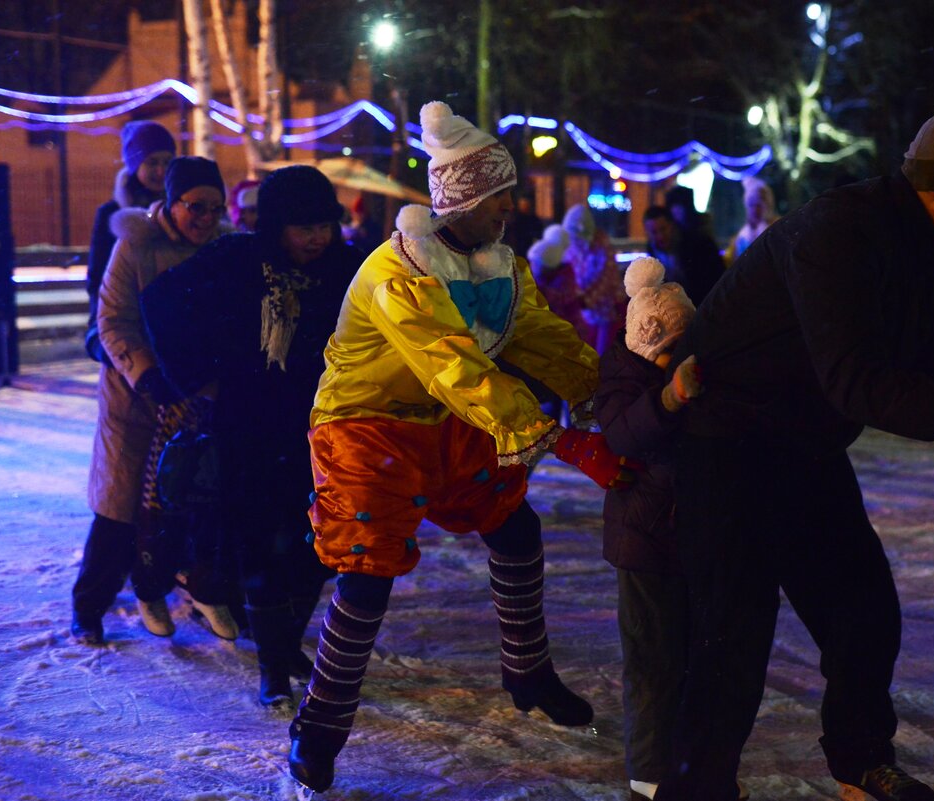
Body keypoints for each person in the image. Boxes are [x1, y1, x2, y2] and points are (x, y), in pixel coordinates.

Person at [654, 109, 934, 801]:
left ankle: (860, 764)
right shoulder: (837, 233)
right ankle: (697, 789)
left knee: (865, 613)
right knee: (732, 637)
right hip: (729, 448)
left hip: (805, 447)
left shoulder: (922, 243)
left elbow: (928, 364)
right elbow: (855, 381)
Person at [286, 101, 632, 793]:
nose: (510, 207)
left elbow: (540, 336)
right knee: (368, 570)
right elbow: (451, 362)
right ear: (464, 200)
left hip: (449, 417)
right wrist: (558, 439)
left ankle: (528, 672)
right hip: (366, 422)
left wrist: (608, 397)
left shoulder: (496, 264)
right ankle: (319, 724)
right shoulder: (400, 270)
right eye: (499, 196)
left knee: (514, 527)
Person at [142, 165, 363, 707]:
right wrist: (198, 377)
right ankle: (272, 666)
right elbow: (161, 300)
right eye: (303, 227)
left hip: (323, 429)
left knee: (318, 546)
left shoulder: (347, 267)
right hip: (249, 426)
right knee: (258, 545)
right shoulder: (238, 258)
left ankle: (285, 645)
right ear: (277, 225)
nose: (316, 238)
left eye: (324, 225)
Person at [72, 156, 229, 645]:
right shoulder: (136, 243)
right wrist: (146, 375)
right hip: (134, 398)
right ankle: (89, 606)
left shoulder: (223, 247)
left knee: (184, 499)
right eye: (196, 207)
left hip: (193, 399)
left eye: (215, 208)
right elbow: (113, 318)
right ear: (172, 202)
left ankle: (173, 587)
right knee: (120, 505)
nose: (206, 218)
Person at [594, 256, 715, 801]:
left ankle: (688, 762)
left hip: (689, 536)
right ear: (648, 345)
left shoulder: (691, 368)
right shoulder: (623, 379)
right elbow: (623, 433)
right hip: (642, 541)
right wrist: (670, 399)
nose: (678, 360)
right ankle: (649, 773)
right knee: (651, 660)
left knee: (692, 656)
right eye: (670, 349)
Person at [85, 121, 176, 364]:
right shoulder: (112, 213)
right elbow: (98, 275)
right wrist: (99, 322)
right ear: (136, 165)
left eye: (167, 162)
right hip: (127, 318)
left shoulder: (182, 211)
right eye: (152, 162)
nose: (161, 170)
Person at [563, 203, 627, 353]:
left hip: (606, 310)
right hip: (583, 313)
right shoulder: (571, 247)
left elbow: (608, 277)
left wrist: (585, 301)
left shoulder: (601, 243)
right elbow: (570, 275)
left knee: (602, 356)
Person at [643, 205, 724, 306]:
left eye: (663, 229)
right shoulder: (652, 250)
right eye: (654, 232)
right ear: (647, 233)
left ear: (671, 225)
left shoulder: (698, 244)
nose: (660, 236)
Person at [724, 177, 777, 264]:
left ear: (767, 204)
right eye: (751, 205)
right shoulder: (740, 236)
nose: (755, 210)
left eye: (759, 205)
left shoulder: (777, 229)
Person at [502, 187, 545, 256]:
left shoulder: (535, 221)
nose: (526, 206)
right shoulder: (513, 219)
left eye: (528, 204)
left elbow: (538, 237)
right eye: (523, 204)